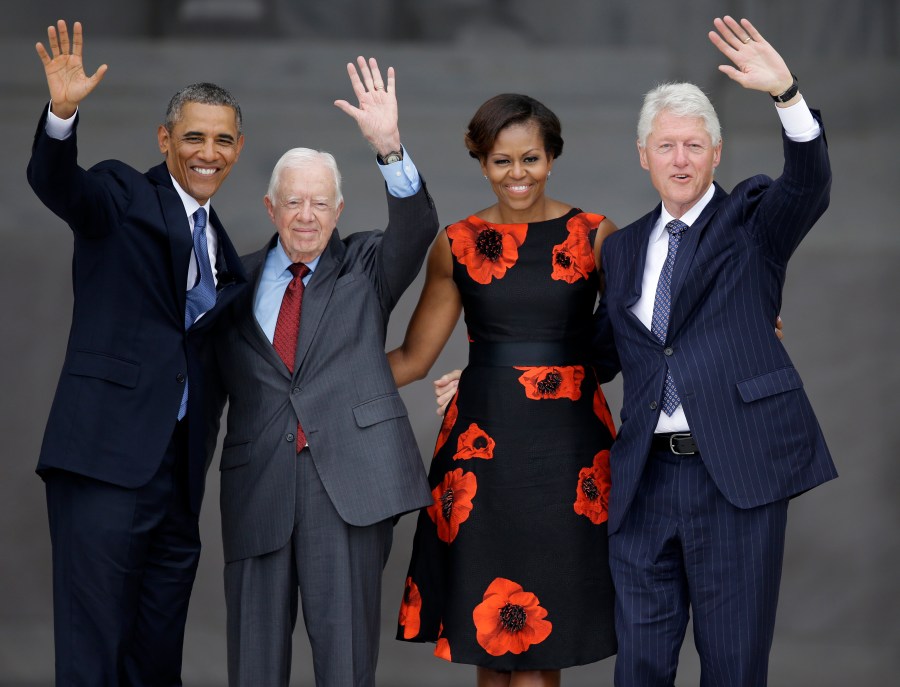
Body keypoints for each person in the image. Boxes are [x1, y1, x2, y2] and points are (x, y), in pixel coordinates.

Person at [595, 16, 838, 686]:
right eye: (666, 145)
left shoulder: (754, 221)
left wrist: (786, 93)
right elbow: (604, 353)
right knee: (639, 667)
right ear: (643, 154)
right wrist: (485, 374)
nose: (679, 159)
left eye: (693, 146)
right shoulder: (619, 249)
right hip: (643, 483)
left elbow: (810, 183)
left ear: (716, 154)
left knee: (733, 667)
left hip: (734, 476)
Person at [206, 56, 438, 687]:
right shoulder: (235, 280)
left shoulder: (367, 267)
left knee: (345, 666)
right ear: (271, 206)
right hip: (258, 485)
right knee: (253, 667)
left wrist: (389, 147)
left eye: (319, 203)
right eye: (293, 202)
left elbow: (417, 228)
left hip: (348, 487)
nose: (305, 216)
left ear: (338, 209)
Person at [27, 20, 247, 686]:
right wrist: (62, 116)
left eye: (222, 139)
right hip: (103, 461)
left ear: (237, 149)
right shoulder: (124, 195)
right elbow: (61, 185)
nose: (207, 152)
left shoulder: (225, 250)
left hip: (177, 480)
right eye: (193, 137)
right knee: (93, 655)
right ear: (165, 140)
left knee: (156, 661)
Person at [388, 93, 618, 686]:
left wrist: (744, 320)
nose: (518, 175)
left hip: (569, 456)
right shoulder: (456, 242)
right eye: (501, 161)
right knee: (487, 638)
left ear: (552, 157)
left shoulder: (594, 235)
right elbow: (413, 359)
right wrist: (316, 382)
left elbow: (636, 339)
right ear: (481, 162)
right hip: (481, 454)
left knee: (544, 643)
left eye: (531, 159)